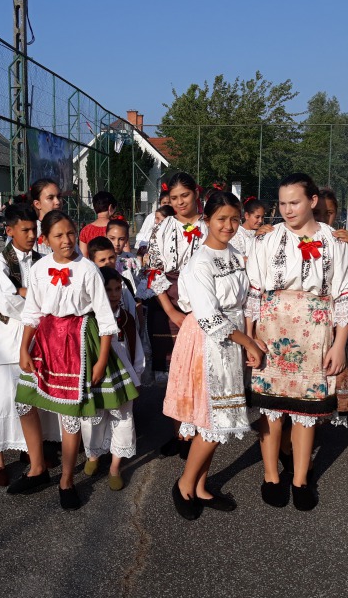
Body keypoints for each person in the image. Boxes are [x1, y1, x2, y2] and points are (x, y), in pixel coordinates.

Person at [12, 211, 139, 510]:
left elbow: (106, 320)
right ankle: (37, 467)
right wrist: (23, 348)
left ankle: (67, 479)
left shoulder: (88, 270)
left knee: (70, 413)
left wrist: (101, 360)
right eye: (58, 235)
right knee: (24, 401)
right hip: (46, 338)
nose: (66, 240)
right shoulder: (40, 268)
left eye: (70, 233)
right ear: (46, 240)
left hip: (78, 339)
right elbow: (32, 311)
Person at [246, 172, 348, 511]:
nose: (287, 210)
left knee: (305, 411)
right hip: (272, 329)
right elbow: (253, 291)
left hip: (315, 333)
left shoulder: (334, 241)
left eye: (294, 202)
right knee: (271, 409)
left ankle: (300, 479)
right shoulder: (266, 239)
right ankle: (271, 476)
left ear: (312, 201)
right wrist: (250, 339)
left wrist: (339, 345)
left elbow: (344, 295)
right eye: (282, 203)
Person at [165, 192, 265, 520]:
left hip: (231, 336)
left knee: (219, 421)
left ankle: (201, 485)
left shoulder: (237, 254)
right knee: (213, 421)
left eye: (235, 219)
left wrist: (248, 337)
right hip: (208, 341)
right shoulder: (199, 262)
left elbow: (248, 296)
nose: (229, 225)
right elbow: (209, 318)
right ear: (206, 220)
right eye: (221, 219)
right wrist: (248, 343)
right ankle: (184, 484)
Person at [0, 204, 61, 486]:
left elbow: (53, 289)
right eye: (26, 230)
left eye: (34, 229)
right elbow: (6, 301)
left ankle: (31, 450)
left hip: (36, 334)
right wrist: (37, 300)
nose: (32, 234)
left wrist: (28, 293)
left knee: (30, 394)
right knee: (3, 395)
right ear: (9, 231)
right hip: (8, 335)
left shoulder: (43, 257)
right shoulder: (0, 263)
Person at [146, 172, 209, 457]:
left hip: (204, 300)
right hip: (169, 302)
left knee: (199, 370)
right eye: (174, 198)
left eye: (185, 195)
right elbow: (155, 270)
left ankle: (196, 430)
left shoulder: (210, 225)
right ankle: (177, 433)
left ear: (196, 193)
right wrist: (170, 310)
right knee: (175, 371)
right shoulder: (163, 227)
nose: (180, 202)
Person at [80, 266, 145, 491]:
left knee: (124, 418)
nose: (115, 294)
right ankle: (93, 455)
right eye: (108, 290)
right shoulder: (89, 320)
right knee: (94, 418)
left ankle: (115, 467)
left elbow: (136, 348)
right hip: (97, 376)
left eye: (118, 289)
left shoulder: (126, 318)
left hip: (123, 377)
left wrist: (137, 373)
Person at [30, 178, 62, 256]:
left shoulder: (66, 228)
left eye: (59, 196)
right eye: (50, 198)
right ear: (37, 204)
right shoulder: (31, 231)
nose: (57, 202)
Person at [135, 186, 171, 253]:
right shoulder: (152, 216)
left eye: (169, 203)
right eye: (164, 203)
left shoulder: (175, 217)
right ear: (160, 204)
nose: (167, 205)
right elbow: (144, 233)